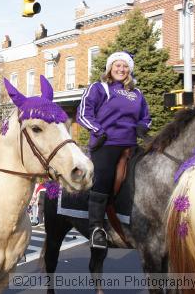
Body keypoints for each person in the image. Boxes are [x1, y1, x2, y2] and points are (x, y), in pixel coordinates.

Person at [77, 51, 151, 249]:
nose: (121, 69)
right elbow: (84, 113)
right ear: (110, 68)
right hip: (106, 143)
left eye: (125, 66)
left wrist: (143, 127)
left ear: (129, 70)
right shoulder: (99, 87)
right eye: (117, 65)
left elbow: (146, 117)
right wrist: (97, 130)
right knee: (104, 178)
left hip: (131, 144)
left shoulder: (137, 94)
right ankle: (96, 229)